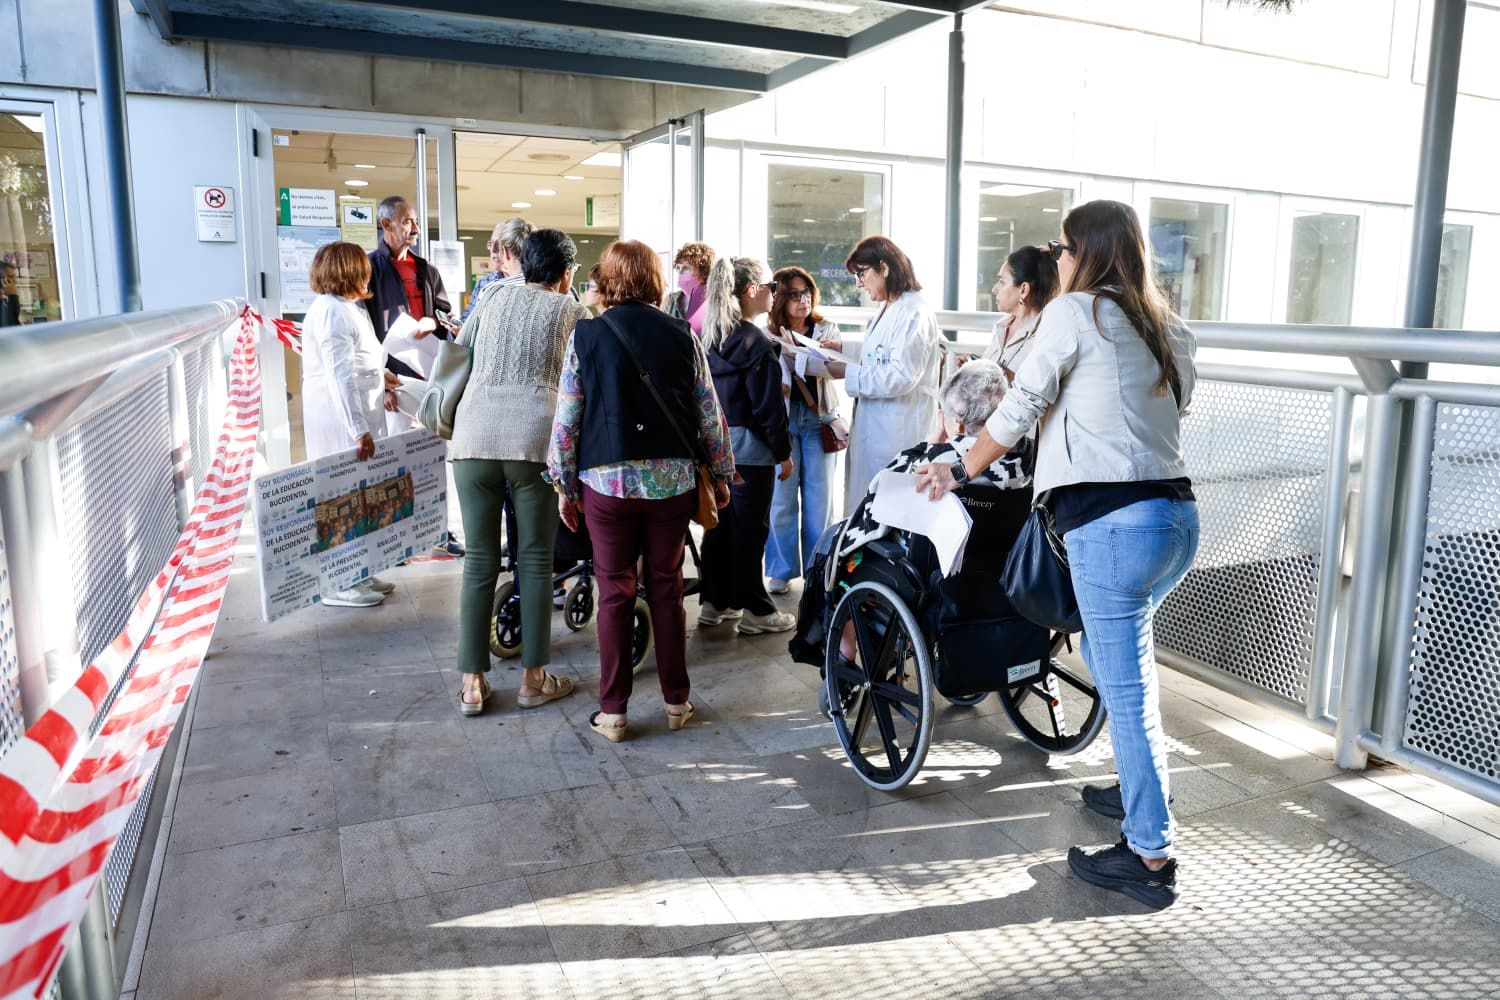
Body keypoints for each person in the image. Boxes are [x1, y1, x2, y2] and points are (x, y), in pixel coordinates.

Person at [915, 200, 1199, 910]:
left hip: (1111, 526)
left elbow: (1019, 404)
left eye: (1062, 249)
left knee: (1127, 691)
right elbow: (1165, 408)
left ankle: (1150, 854)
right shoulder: (1167, 324)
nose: (1058, 261)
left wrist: (959, 466)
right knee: (1114, 668)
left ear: (1089, 253)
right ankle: (1142, 793)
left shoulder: (1076, 314)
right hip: (1174, 521)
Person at [547, 240, 734, 743]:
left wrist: (564, 485)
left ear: (607, 279)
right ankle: (677, 701)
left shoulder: (586, 334)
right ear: (653, 279)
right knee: (667, 587)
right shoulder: (681, 334)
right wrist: (720, 473)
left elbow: (567, 419)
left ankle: (613, 712)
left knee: (614, 591)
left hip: (605, 484)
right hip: (671, 481)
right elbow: (707, 410)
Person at [450, 229, 587, 716]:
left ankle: (471, 684)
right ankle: (533, 680)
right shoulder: (572, 310)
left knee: (479, 561)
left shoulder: (491, 295)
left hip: (473, 438)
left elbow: (459, 350)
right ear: (567, 272)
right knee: (533, 560)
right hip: (534, 438)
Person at [300, 241, 401, 608]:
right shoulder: (332, 312)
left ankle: (356, 571)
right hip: (341, 420)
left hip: (357, 413)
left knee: (357, 497)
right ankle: (338, 583)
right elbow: (339, 375)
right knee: (339, 497)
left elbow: (359, 361)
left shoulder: (346, 309)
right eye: (363, 268)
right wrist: (358, 429)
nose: (368, 273)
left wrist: (384, 374)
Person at [698, 257, 796, 635]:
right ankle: (756, 609)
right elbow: (768, 409)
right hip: (752, 452)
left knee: (718, 527)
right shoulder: (757, 344)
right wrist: (783, 453)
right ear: (752, 291)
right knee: (751, 530)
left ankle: (715, 600)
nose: (775, 294)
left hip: (716, 447)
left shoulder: (712, 339)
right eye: (771, 288)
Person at [364, 194, 465, 557]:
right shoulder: (369, 269)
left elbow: (446, 316)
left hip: (430, 377)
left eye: (416, 221)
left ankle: (437, 531)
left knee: (433, 455)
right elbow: (367, 330)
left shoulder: (427, 270)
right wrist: (381, 379)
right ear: (386, 224)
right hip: (392, 379)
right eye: (408, 221)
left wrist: (434, 323)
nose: (416, 229)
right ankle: (396, 539)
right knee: (395, 460)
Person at [820, 236, 941, 509]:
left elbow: (900, 375)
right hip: (875, 430)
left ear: (884, 268)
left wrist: (847, 372)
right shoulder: (889, 307)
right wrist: (843, 347)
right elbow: (880, 351)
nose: (859, 283)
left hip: (896, 432)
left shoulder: (913, 312)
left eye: (862, 274)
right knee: (866, 509)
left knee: (888, 513)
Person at [763, 266, 841, 595]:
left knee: (819, 499)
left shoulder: (825, 328)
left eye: (807, 292)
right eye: (794, 294)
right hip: (783, 422)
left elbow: (834, 366)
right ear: (780, 298)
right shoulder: (766, 332)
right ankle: (781, 569)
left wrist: (799, 351)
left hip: (818, 417)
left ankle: (817, 567)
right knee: (781, 500)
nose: (803, 300)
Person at [982, 245, 1060, 381]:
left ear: (1023, 290)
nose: (995, 289)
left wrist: (1007, 380)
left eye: (1002, 282)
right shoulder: (1002, 327)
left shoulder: (1044, 338)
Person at [462, 216, 533, 323]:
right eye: (491, 243)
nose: (493, 250)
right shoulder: (485, 284)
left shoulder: (536, 283)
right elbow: (467, 320)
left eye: (499, 244)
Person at [669, 241, 714, 335]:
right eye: (678, 268)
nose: (680, 272)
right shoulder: (671, 301)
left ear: (703, 273)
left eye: (686, 268)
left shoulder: (715, 304)